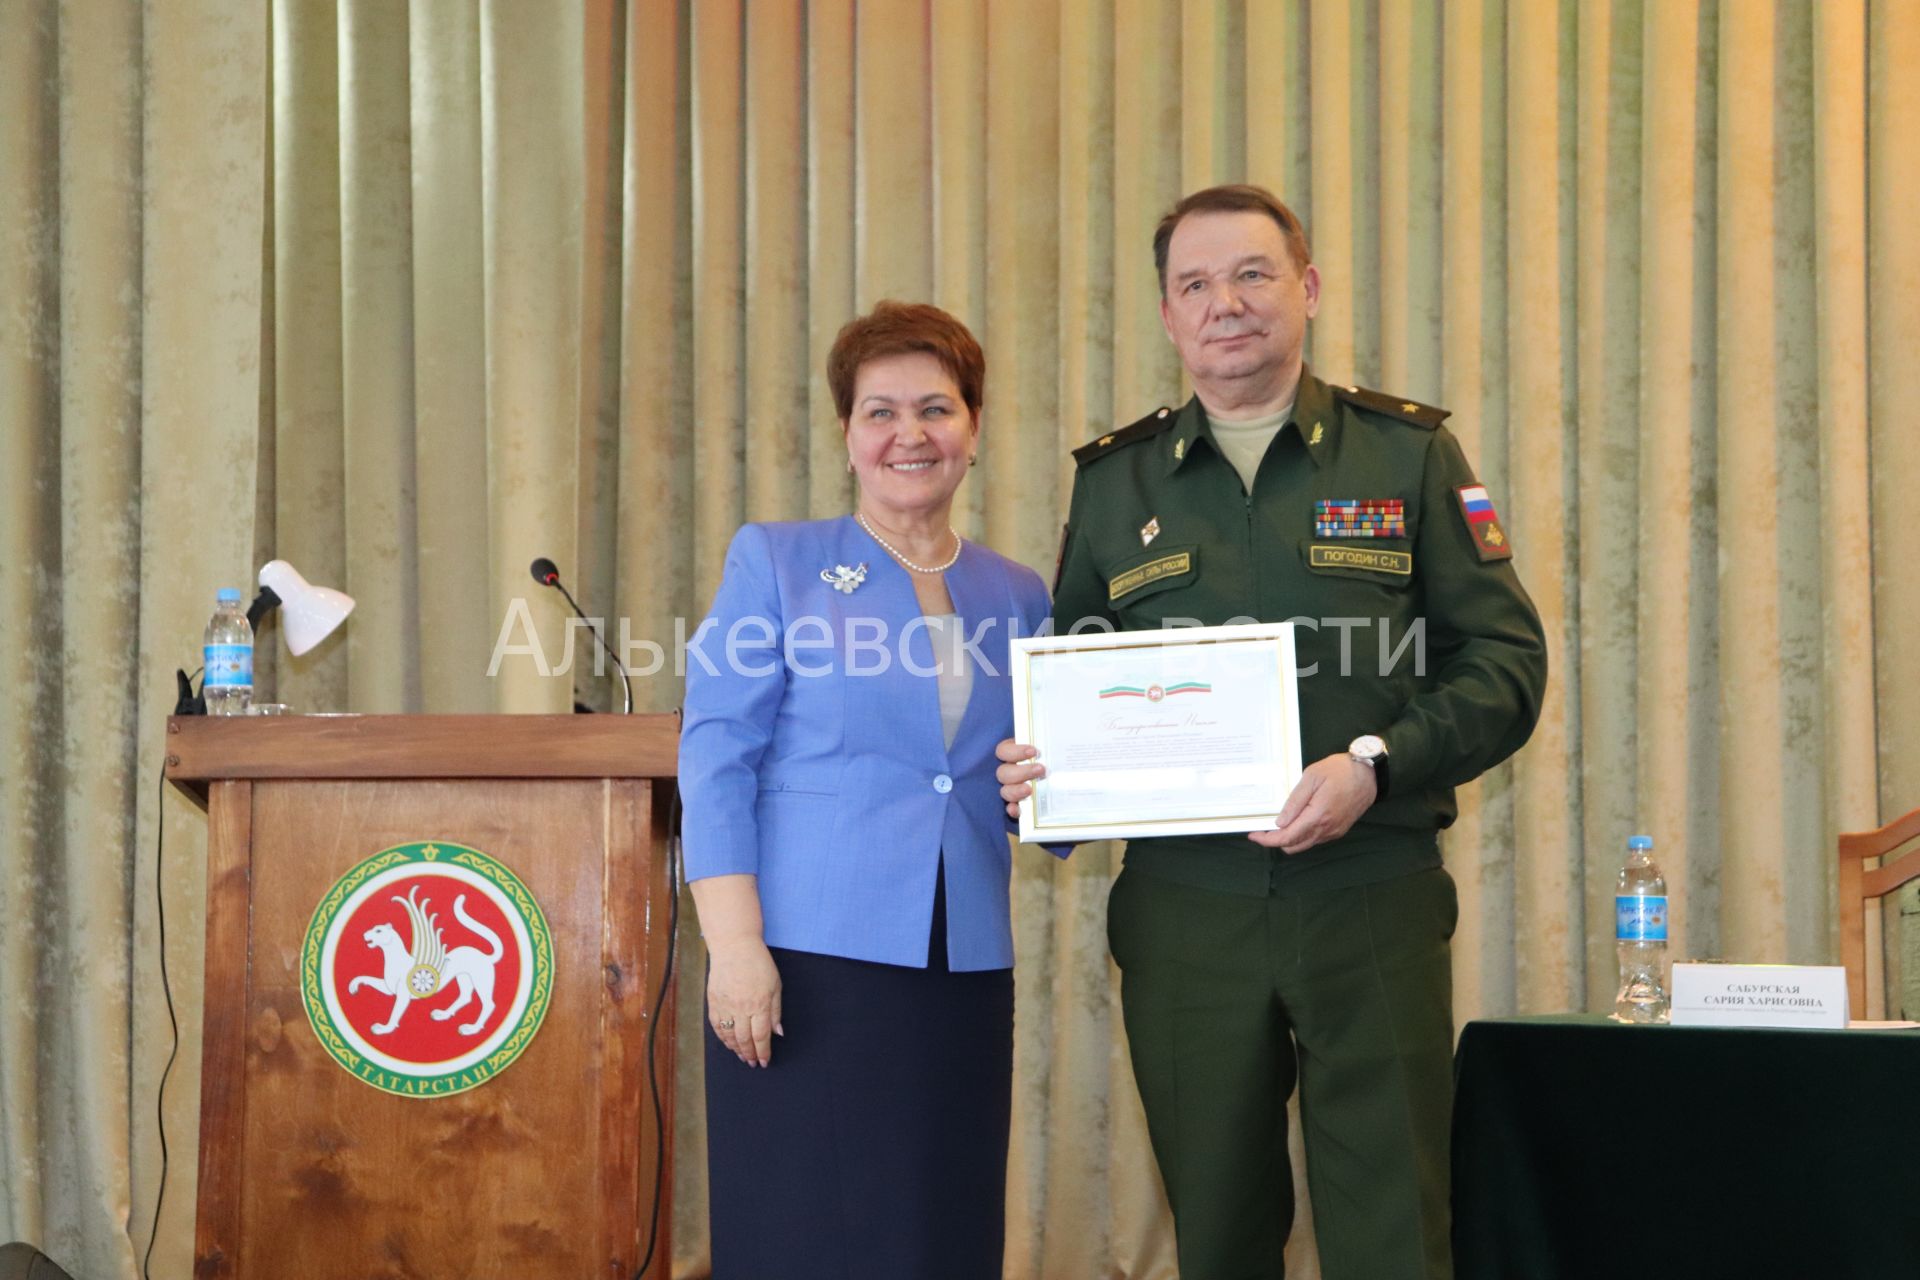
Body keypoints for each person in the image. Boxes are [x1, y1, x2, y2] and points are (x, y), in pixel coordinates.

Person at [997, 185, 1548, 1279]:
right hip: (1185, 915)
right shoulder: (1115, 482)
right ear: (1167, 315)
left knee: (1396, 1223)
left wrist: (1373, 763)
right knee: (1218, 1230)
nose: (1225, 303)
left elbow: (1505, 663)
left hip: (1368, 894)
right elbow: (1069, 676)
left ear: (1306, 289)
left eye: (1252, 274)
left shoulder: (1408, 458)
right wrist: (1038, 764)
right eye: (1194, 284)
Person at [679, 301, 1053, 1279]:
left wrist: (1050, 789)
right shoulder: (777, 561)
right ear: (847, 436)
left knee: (943, 1227)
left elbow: (1042, 782)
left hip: (964, 965)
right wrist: (733, 946)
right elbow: (715, 753)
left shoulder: (1019, 592)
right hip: (805, 964)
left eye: (936, 407)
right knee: (806, 1231)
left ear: (974, 428)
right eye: (880, 411)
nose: (909, 433)